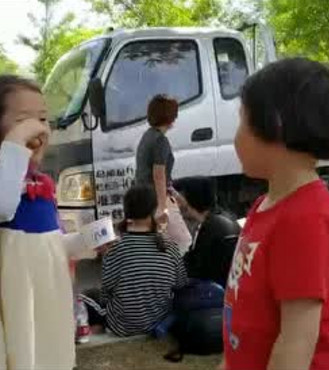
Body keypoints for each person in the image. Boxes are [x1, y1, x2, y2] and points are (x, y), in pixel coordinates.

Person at [0, 75, 98, 369]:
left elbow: (50, 247)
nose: (39, 128)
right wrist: (17, 143)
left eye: (43, 118)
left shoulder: (41, 186)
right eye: (24, 121)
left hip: (39, 318)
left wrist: (86, 241)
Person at [222, 58, 329, 370]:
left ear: (275, 124)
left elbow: (296, 343)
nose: (235, 136)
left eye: (242, 121)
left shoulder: (306, 219)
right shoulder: (265, 205)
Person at [80, 185, 188, 337]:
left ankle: (95, 331)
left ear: (126, 211)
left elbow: (105, 296)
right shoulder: (170, 247)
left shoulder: (115, 249)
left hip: (123, 326)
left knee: (86, 296)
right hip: (159, 321)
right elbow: (180, 284)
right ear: (153, 210)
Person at [134, 94, 193, 253]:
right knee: (184, 242)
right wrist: (162, 206)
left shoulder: (148, 136)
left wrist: (175, 195)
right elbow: (158, 174)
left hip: (144, 197)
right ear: (170, 116)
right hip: (157, 198)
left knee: (159, 245)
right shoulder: (161, 141)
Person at [175, 177, 241, 288]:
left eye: (178, 198)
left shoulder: (209, 228)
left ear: (191, 198)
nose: (176, 204)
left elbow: (193, 269)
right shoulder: (226, 220)